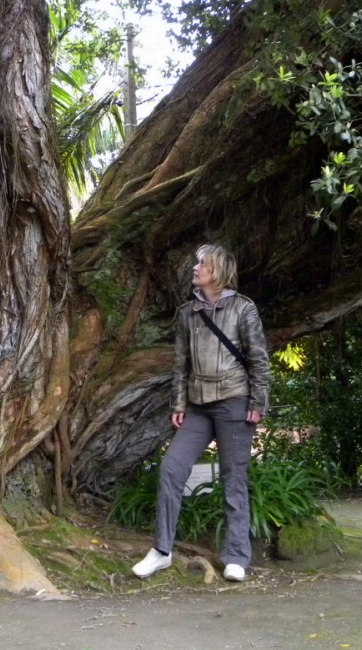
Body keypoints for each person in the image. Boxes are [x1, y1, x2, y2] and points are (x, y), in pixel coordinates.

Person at [132, 244, 270, 583]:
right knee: (171, 469)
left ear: (217, 271)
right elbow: (180, 365)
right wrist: (178, 404)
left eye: (201, 264)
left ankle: (236, 556)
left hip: (235, 403)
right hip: (197, 406)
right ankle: (162, 551)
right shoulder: (188, 313)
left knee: (233, 479)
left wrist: (258, 403)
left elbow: (258, 359)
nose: (195, 268)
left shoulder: (243, 308)